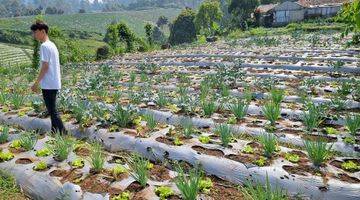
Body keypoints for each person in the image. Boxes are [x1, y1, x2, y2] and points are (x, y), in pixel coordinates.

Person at [30, 21, 66, 135]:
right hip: (54, 82)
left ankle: (64, 133)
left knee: (52, 110)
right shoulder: (52, 45)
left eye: (35, 32)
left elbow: (45, 66)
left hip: (49, 83)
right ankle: (54, 132)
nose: (34, 35)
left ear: (42, 31)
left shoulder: (44, 46)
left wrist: (36, 83)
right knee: (52, 110)